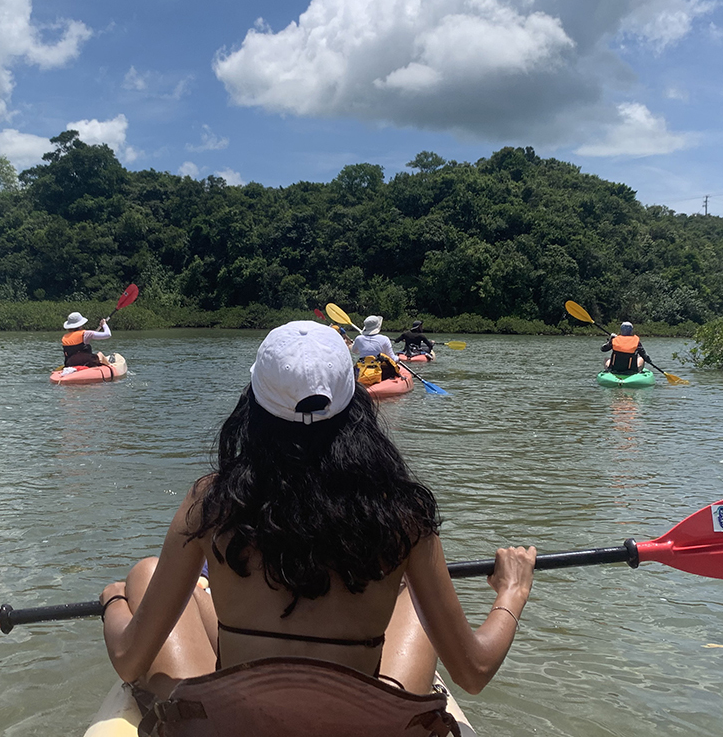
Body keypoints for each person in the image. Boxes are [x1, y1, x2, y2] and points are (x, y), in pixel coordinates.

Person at [98, 321, 536, 736]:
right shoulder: (402, 511)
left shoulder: (211, 501)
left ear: (254, 402)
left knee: (144, 574)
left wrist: (113, 600)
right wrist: (511, 590)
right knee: (413, 597)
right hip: (357, 726)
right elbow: (473, 672)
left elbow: (127, 658)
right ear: (355, 402)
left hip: (237, 725)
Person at [350, 315, 400, 383]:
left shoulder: (359, 338)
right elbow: (392, 358)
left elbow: (354, 351)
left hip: (363, 369)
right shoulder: (384, 339)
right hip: (380, 370)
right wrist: (398, 358)